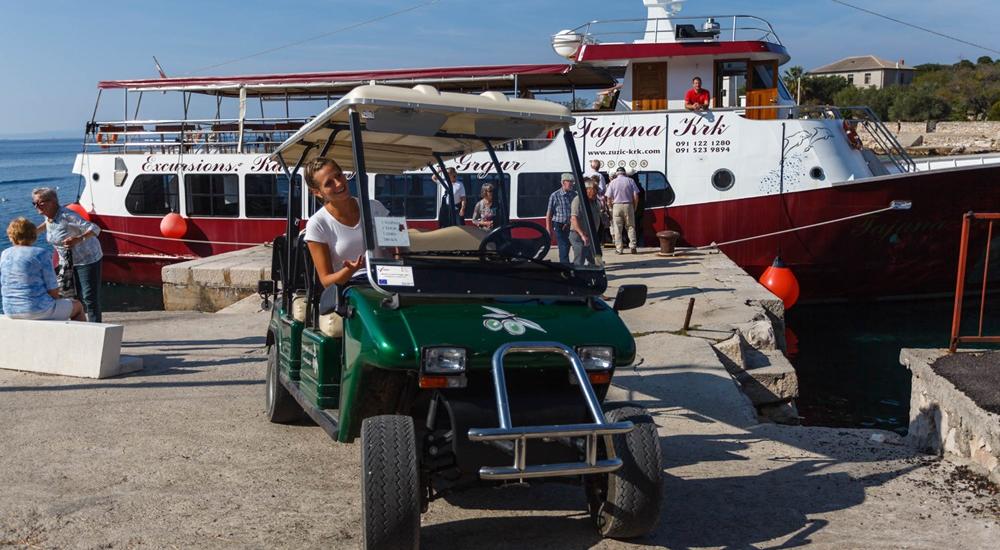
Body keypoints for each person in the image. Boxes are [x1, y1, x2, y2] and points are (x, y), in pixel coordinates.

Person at [303, 157, 390, 288]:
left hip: (388, 281)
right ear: (317, 192)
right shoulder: (317, 224)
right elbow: (326, 281)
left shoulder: (375, 208)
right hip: (351, 287)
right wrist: (349, 270)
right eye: (329, 183)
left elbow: (397, 249)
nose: (338, 183)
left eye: (339, 175)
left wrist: (400, 247)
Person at [33, 187, 103, 322]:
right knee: (70, 297)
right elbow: (48, 224)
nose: (37, 206)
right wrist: (32, 233)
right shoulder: (49, 216)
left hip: (87, 259)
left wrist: (78, 239)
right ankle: (79, 328)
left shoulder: (67, 215)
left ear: (52, 202)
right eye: (34, 203)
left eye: (40, 202)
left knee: (89, 297)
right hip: (66, 263)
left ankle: (97, 329)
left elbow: (95, 228)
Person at [1, 217, 85, 321]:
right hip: (37, 309)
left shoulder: (5, 254)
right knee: (77, 306)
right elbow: (53, 290)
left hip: (10, 310)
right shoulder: (40, 254)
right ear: (33, 235)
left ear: (11, 236)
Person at [569, 177, 604, 266]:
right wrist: (582, 235)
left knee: (596, 258)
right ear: (587, 190)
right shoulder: (578, 200)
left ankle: (595, 274)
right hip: (578, 235)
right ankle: (577, 277)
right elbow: (574, 218)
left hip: (591, 235)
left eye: (596, 191)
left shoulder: (595, 201)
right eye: (594, 190)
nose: (596, 193)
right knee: (579, 259)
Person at [605, 167, 640, 254]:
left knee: (617, 229)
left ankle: (619, 249)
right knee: (631, 227)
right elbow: (636, 196)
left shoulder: (612, 183)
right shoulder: (631, 181)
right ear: (625, 173)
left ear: (617, 174)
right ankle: (633, 246)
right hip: (629, 205)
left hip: (616, 206)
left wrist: (611, 208)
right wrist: (634, 207)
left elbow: (608, 198)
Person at [545, 173, 577, 264]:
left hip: (571, 225)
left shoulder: (574, 194)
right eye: (569, 182)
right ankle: (565, 267)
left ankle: (577, 265)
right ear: (563, 182)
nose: (571, 184)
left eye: (572, 182)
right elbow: (549, 213)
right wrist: (548, 228)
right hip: (559, 225)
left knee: (576, 246)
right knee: (563, 247)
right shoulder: (555, 195)